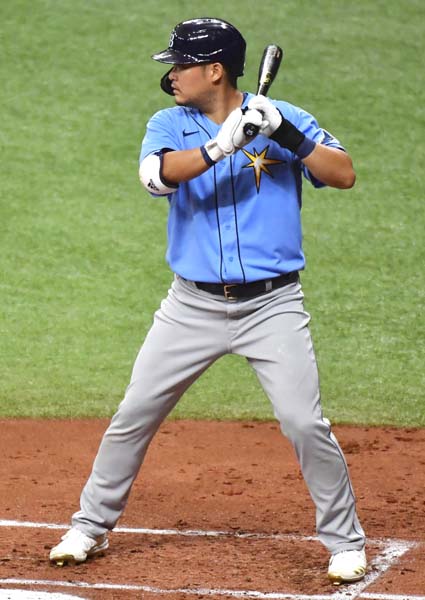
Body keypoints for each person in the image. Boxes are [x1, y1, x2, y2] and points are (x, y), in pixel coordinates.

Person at [49, 17, 367, 585]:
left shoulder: (282, 117)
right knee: (134, 414)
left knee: (303, 422)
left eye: (181, 64)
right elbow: (156, 178)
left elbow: (343, 175)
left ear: (214, 70)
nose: (171, 74)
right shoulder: (168, 123)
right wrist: (221, 146)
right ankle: (89, 527)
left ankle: (345, 542)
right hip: (189, 307)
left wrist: (287, 137)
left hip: (272, 306)